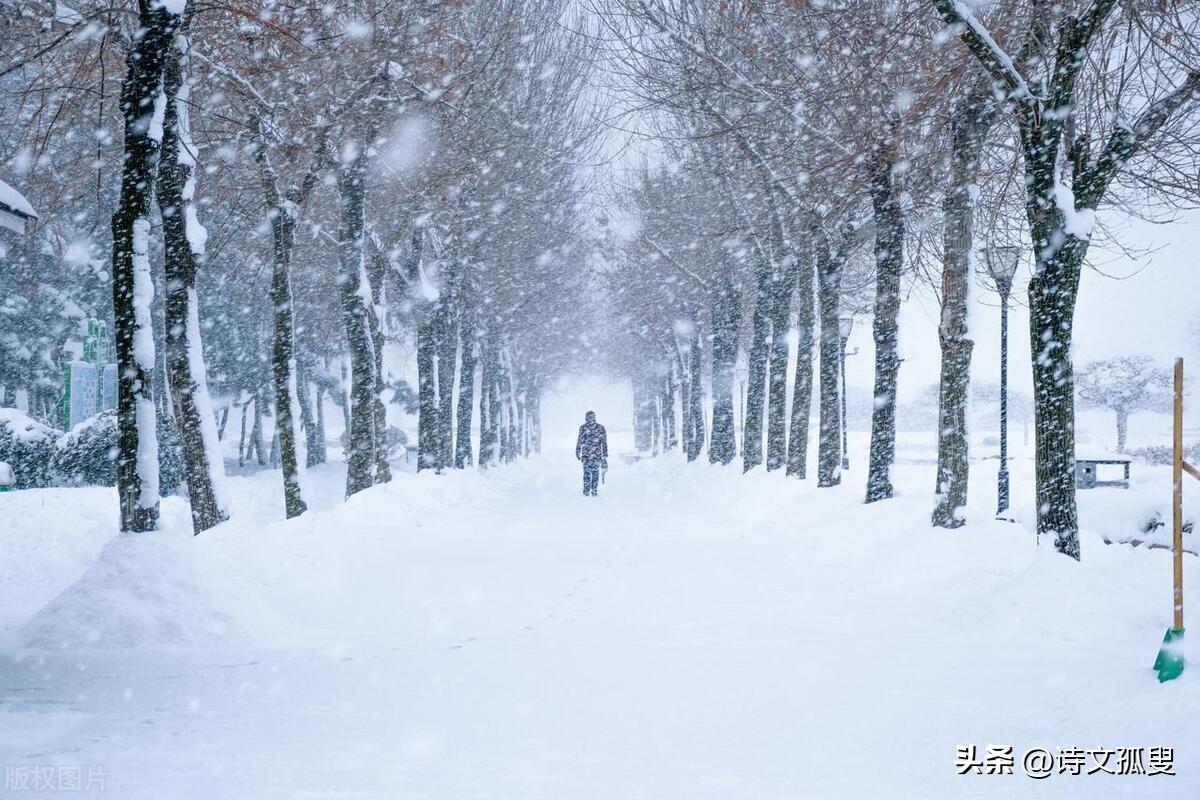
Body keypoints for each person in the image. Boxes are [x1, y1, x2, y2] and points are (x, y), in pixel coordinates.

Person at [575, 410, 608, 496]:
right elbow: (604, 443)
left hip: (587, 455)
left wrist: (578, 451)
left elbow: (580, 441)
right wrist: (604, 455)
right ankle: (593, 490)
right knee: (595, 474)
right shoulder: (600, 428)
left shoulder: (583, 428)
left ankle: (587, 491)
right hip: (596, 455)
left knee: (587, 474)